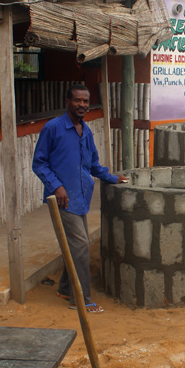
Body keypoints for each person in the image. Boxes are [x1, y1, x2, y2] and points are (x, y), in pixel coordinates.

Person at [32, 84, 127, 312]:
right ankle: (81, 299)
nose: (82, 105)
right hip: (63, 200)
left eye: (85, 101)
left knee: (77, 245)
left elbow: (93, 164)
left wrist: (111, 177)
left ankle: (65, 288)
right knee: (82, 245)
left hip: (82, 197)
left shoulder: (87, 131)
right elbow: (39, 163)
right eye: (77, 100)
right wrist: (57, 187)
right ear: (68, 101)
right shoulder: (53, 128)